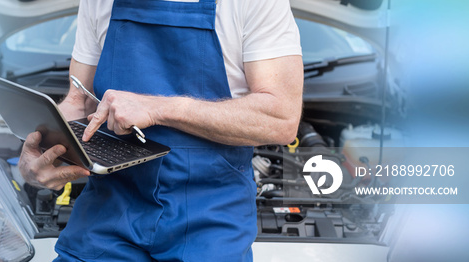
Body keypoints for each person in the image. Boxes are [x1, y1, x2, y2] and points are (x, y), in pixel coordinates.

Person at [18, 0, 302, 260]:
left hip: (211, 221)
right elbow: (79, 101)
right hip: (108, 215)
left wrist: (158, 109)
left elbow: (281, 118)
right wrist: (45, 146)